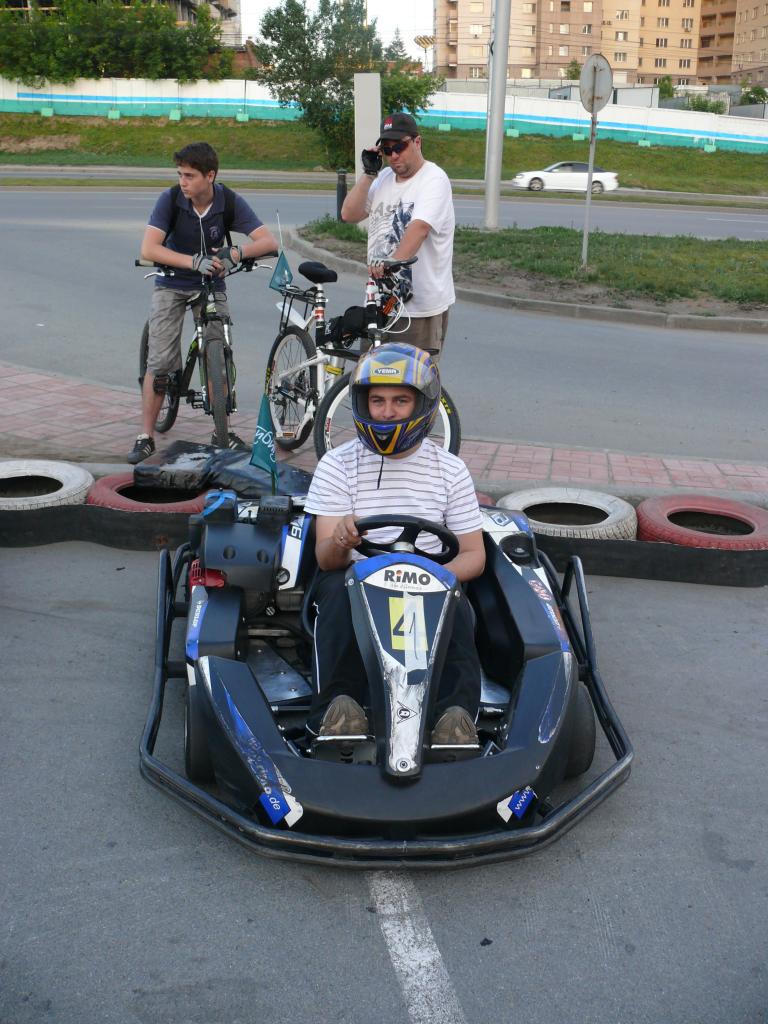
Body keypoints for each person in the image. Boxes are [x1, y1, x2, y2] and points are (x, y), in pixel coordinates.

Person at [302, 342, 484, 745]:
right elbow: (325, 559)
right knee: (336, 597)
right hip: (354, 577)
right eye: (378, 401)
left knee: (457, 605)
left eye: (400, 401)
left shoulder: (450, 470)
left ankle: (453, 719)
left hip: (431, 576)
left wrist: (435, 580)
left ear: (423, 405)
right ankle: (338, 710)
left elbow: (474, 556)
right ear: (363, 405)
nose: (387, 412)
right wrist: (340, 540)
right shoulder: (338, 464)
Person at [128, 141, 278, 465]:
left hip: (211, 285)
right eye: (180, 174)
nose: (183, 182)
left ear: (210, 176)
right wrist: (192, 261)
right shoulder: (170, 199)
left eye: (190, 175)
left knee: (219, 353)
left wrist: (236, 252)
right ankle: (145, 436)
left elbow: (268, 242)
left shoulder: (228, 202)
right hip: (171, 283)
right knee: (161, 361)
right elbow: (149, 249)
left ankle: (222, 430)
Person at [340, 112, 455, 358]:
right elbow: (349, 214)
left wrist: (391, 263)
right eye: (387, 150)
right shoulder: (383, 178)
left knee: (413, 379)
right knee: (371, 378)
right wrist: (368, 174)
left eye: (399, 147)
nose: (393, 156)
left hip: (418, 311)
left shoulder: (434, 179)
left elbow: (419, 228)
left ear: (417, 142)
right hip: (379, 305)